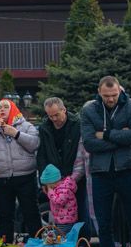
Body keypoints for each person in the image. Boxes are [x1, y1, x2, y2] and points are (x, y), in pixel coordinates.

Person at [81, 76, 131, 247]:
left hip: (127, 169)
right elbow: (89, 143)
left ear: (120, 91)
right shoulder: (89, 110)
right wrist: (120, 139)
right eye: (106, 96)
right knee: (104, 223)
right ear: (99, 92)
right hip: (101, 172)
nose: (110, 99)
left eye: (114, 95)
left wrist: (106, 135)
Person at [0, 99, 41, 244]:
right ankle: (6, 245)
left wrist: (16, 133)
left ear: (13, 109)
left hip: (25, 176)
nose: (2, 109)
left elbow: (35, 144)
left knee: (31, 212)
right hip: (1, 178)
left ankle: (37, 244)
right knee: (4, 214)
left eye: (5, 107)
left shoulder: (26, 126)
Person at [37, 97, 91, 239]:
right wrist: (44, 181)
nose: (54, 119)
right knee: (59, 214)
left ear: (64, 110)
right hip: (55, 180)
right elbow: (41, 155)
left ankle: (83, 244)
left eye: (56, 115)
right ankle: (65, 244)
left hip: (76, 177)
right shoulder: (44, 128)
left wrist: (75, 176)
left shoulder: (77, 124)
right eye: (50, 116)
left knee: (82, 212)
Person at [40, 164, 77, 233]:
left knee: (62, 236)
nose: (47, 187)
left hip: (65, 221)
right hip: (61, 219)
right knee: (59, 235)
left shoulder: (64, 189)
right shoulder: (59, 188)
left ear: (52, 182)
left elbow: (59, 202)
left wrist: (50, 191)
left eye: (47, 185)